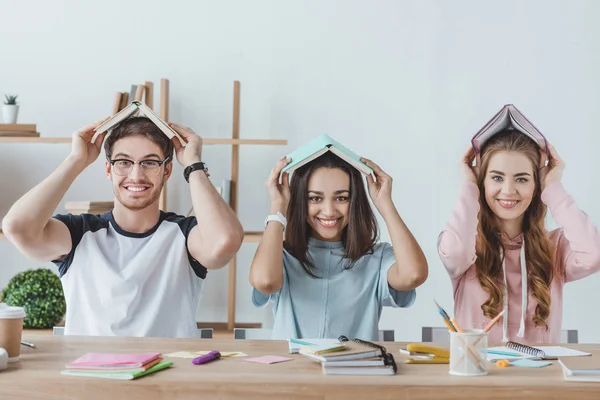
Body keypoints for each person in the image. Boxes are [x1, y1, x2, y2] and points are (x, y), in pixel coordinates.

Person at [2, 117, 244, 337]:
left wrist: (193, 164)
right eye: (124, 162)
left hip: (168, 379)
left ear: (167, 170)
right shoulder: (79, 233)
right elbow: (16, 227)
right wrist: (76, 160)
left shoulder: (184, 234)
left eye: (149, 163)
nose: (136, 175)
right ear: (108, 169)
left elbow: (224, 242)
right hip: (91, 377)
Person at [438, 130, 600, 344]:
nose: (508, 190)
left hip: (540, 375)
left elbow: (594, 255)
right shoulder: (466, 243)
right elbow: (456, 251)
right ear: (482, 182)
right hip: (478, 374)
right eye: (496, 177)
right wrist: (469, 186)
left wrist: (553, 187)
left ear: (536, 187)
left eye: (522, 179)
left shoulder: (556, 246)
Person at [250, 152, 428, 340]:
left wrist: (385, 204)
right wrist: (277, 206)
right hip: (292, 368)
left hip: (355, 368)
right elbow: (265, 282)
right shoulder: (281, 255)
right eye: (315, 198)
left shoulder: (377, 258)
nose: (329, 211)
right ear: (301, 201)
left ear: (355, 201)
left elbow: (413, 275)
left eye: (341, 198)